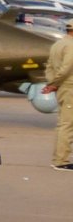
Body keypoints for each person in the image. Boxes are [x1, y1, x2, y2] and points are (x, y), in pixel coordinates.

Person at [43, 24, 73, 170]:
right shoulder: (71, 46)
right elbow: (67, 68)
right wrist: (54, 84)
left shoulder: (57, 44)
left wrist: (52, 83)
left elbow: (49, 67)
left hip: (62, 88)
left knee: (65, 123)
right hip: (69, 87)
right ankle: (61, 161)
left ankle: (60, 159)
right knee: (67, 125)